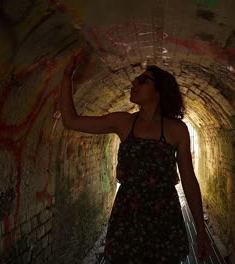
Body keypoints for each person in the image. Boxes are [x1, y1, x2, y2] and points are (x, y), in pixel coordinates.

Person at [59, 54, 211, 263]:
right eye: (135, 79)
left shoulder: (177, 130)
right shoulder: (123, 122)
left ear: (159, 91)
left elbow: (189, 179)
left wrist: (201, 231)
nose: (134, 82)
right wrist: (67, 76)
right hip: (127, 216)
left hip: (164, 218)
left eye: (142, 80)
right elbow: (71, 121)